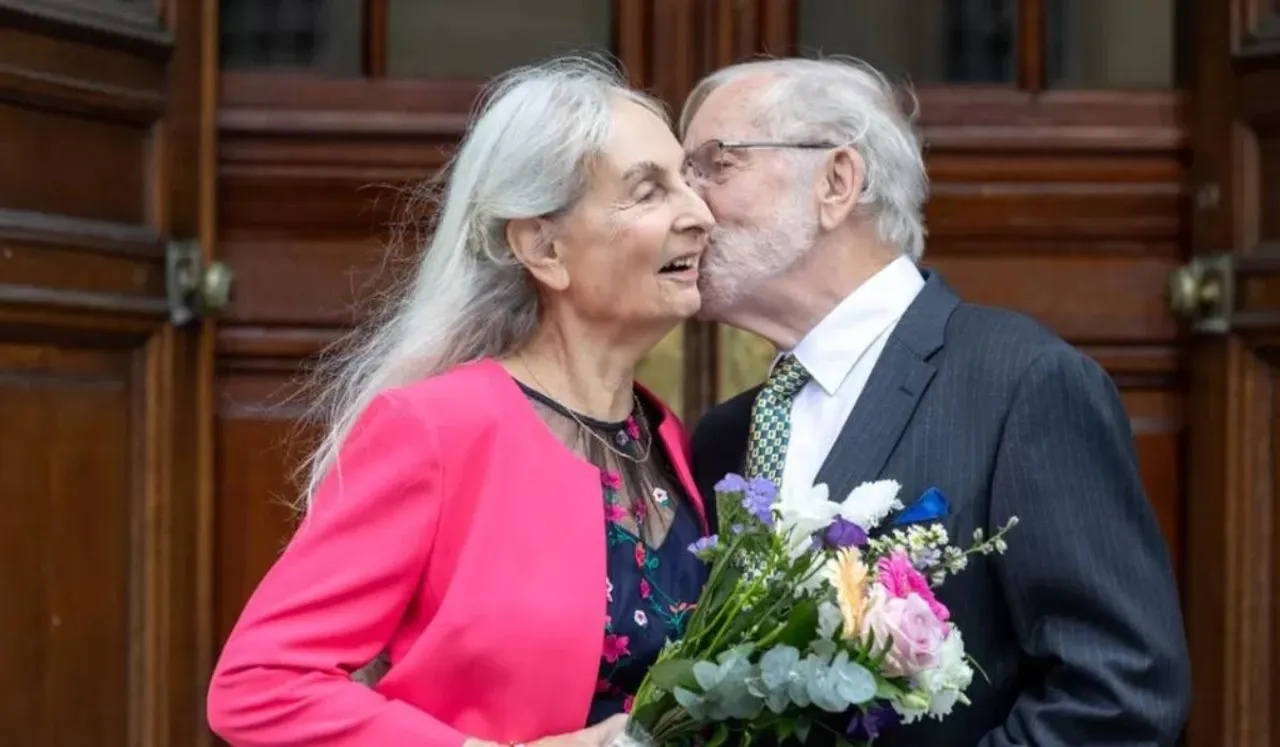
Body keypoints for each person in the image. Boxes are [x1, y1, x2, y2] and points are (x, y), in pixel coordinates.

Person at [681, 56, 1191, 747]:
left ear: (837, 180)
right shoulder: (725, 436)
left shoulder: (1022, 384)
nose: (686, 205)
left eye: (714, 164)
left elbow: (1121, 694)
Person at [206, 56, 715, 747]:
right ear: (543, 246)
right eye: (649, 191)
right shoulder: (436, 429)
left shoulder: (666, 439)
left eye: (687, 179)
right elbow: (259, 684)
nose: (700, 213)